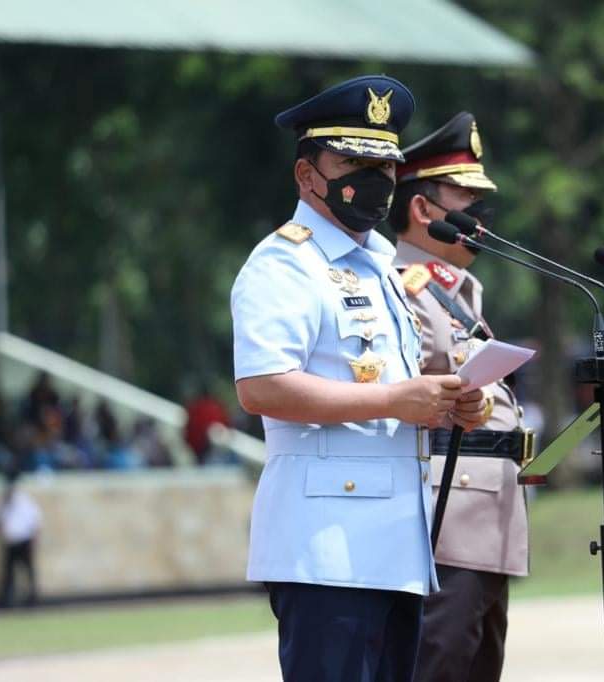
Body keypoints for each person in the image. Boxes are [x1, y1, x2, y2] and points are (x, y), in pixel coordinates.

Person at [230, 76, 488, 682]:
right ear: (306, 175)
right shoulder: (284, 265)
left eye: (385, 165)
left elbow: (390, 396)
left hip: (397, 546)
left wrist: (447, 404)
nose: (372, 179)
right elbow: (261, 387)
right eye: (352, 161)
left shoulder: (380, 267)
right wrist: (398, 399)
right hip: (326, 548)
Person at [387, 112, 531, 682]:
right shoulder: (400, 286)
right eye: (465, 197)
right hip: (444, 517)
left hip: (488, 517)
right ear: (423, 209)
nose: (480, 215)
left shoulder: (462, 291)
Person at [0, 470, 42, 607]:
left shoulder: (24, 500)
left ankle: (32, 598)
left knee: (28, 571)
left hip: (24, 540)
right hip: (10, 541)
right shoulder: (2, 503)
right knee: (8, 573)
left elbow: (35, 520)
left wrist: (34, 538)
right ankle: (7, 600)